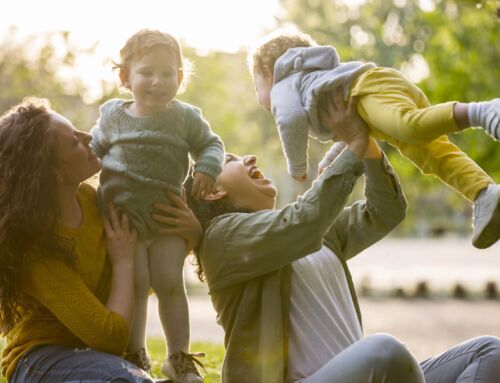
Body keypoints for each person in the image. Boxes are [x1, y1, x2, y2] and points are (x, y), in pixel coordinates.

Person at [158, 94, 500, 382]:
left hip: (359, 373)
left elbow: (386, 212)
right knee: (384, 351)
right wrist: (351, 145)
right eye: (231, 160)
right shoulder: (223, 240)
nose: (249, 158)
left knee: (488, 353)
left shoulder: (302, 230)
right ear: (214, 192)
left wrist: (368, 150)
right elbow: (305, 220)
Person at [248, 29, 500, 249]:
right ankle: (482, 192)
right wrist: (330, 159)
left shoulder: (283, 86)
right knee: (429, 154)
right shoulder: (316, 85)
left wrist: (298, 167)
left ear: (269, 74)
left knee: (409, 126)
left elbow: (289, 120)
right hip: (373, 94)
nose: (260, 98)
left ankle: (483, 111)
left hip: (369, 88)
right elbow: (353, 126)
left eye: (257, 87)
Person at [90, 29, 224, 382]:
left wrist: (208, 169)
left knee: (168, 284)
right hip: (125, 221)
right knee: (136, 285)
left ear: (180, 78)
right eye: (146, 72)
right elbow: (91, 153)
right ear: (125, 77)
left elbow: (211, 145)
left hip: (166, 218)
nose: (157, 81)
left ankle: (178, 358)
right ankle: (135, 354)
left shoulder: (185, 117)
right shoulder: (112, 117)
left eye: (168, 73)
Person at [0, 98, 156, 382]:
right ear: (53, 173)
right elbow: (110, 337)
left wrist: (191, 231)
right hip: (38, 361)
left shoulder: (95, 201)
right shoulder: (36, 249)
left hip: (94, 357)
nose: (89, 137)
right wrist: (123, 261)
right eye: (74, 141)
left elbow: (145, 279)